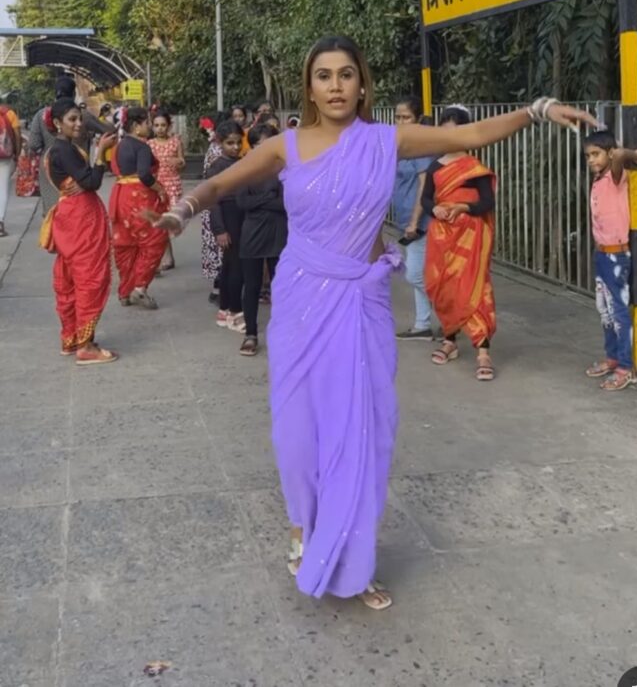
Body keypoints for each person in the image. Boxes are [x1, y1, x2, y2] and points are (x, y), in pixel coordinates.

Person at [149, 36, 594, 610]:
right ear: (309, 86)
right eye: (324, 76)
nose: (336, 86)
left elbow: (469, 136)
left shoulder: (389, 140)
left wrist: (536, 109)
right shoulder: (286, 146)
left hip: (361, 304)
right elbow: (216, 185)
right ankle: (303, 527)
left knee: (360, 427)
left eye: (346, 75)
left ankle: (352, 560)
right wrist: (180, 212)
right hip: (302, 298)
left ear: (362, 84)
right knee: (298, 429)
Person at [422, 105, 497, 381]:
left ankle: (483, 351)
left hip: (470, 236)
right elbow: (426, 200)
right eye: (445, 131)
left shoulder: (475, 168)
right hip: (442, 236)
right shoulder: (434, 166)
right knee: (445, 288)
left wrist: (463, 207)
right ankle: (450, 340)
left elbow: (487, 202)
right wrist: (436, 210)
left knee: (474, 287)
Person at [41, 97, 118, 364]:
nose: (77, 123)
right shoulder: (64, 150)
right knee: (88, 279)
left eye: (78, 118)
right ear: (57, 123)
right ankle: (85, 347)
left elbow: (85, 182)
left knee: (72, 279)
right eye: (71, 119)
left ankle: (72, 339)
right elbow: (93, 182)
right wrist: (100, 155)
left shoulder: (60, 149)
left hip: (72, 218)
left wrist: (85, 179)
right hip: (80, 222)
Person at [583, 130, 637, 392]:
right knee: (604, 309)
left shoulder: (616, 176)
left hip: (617, 255)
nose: (590, 160)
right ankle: (613, 357)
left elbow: (619, 154)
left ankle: (626, 367)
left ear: (608, 154)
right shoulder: (599, 179)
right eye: (587, 156)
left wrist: (636, 155)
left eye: (595, 154)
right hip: (602, 254)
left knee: (619, 312)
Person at [236, 123, 288, 357]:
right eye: (258, 145)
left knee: (281, 286)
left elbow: (286, 204)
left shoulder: (285, 169)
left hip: (279, 232)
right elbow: (241, 203)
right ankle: (251, 334)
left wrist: (261, 200)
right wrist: (269, 197)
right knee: (252, 286)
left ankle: (283, 334)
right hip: (252, 233)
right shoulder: (245, 169)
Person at [109, 107, 169, 309]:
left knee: (126, 245)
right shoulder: (142, 147)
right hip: (139, 198)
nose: (150, 127)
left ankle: (124, 292)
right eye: (147, 123)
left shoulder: (119, 146)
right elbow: (144, 174)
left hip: (121, 197)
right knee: (154, 240)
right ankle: (140, 288)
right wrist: (159, 188)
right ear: (136, 126)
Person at [392, 95, 434, 340]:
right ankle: (422, 324)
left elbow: (423, 185)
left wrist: (415, 222)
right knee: (418, 271)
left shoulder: (419, 146)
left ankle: (453, 314)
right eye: (398, 117)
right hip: (406, 218)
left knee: (415, 274)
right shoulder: (401, 146)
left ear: (417, 119)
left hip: (421, 221)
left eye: (406, 117)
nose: (400, 121)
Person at [207, 120, 246, 332]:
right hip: (227, 216)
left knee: (231, 266)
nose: (236, 147)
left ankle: (224, 308)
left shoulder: (241, 162)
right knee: (235, 267)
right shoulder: (216, 167)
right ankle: (234, 311)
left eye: (238, 142)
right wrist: (219, 229)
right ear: (220, 143)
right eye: (230, 143)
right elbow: (212, 201)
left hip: (241, 215)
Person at [148, 109, 185, 271]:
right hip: (157, 186)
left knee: (171, 222)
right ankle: (165, 257)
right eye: (156, 125)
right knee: (159, 222)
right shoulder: (149, 144)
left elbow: (183, 162)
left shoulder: (175, 142)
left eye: (163, 125)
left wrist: (178, 162)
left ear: (169, 126)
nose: (160, 128)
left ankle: (165, 257)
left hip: (173, 186)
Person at [200, 116, 224, 303]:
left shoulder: (217, 148)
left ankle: (220, 286)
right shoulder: (217, 151)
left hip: (215, 201)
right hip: (217, 203)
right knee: (219, 246)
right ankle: (219, 288)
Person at [0, 102, 21, 236]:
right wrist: (17, 154)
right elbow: (17, 135)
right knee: (2, 188)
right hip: (5, 156)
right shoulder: (9, 113)